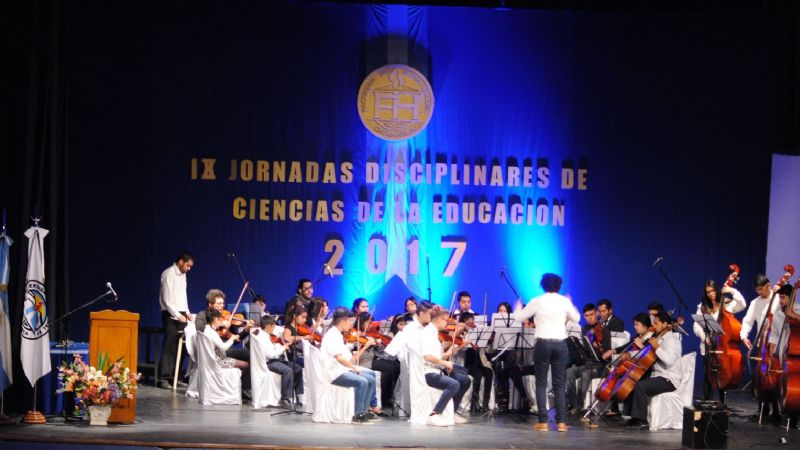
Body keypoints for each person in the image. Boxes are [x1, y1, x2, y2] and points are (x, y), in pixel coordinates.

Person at [512, 273, 580, 432]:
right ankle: (561, 423)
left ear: (542, 285)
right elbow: (576, 318)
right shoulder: (564, 301)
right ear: (559, 286)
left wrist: (517, 306)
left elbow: (519, 317)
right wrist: (570, 303)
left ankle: (543, 422)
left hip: (543, 344)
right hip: (560, 344)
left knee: (541, 383)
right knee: (559, 383)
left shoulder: (537, 301)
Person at [624, 311, 683, 430]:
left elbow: (669, 361)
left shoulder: (672, 340)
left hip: (669, 379)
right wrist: (630, 354)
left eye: (656, 323)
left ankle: (642, 421)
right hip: (657, 375)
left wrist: (656, 347)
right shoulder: (659, 338)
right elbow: (646, 353)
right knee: (632, 381)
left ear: (665, 324)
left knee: (641, 386)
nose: (654, 326)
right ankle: (632, 417)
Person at [321, 307, 380, 424]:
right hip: (334, 372)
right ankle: (357, 415)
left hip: (342, 369)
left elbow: (347, 359)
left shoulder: (338, 334)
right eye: (350, 322)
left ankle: (364, 411)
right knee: (362, 381)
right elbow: (339, 358)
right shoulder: (332, 335)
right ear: (342, 321)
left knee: (371, 378)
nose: (351, 325)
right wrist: (354, 368)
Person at [692, 279, 745, 402]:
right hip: (709, 345)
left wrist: (732, 290)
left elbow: (742, 304)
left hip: (723, 346)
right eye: (708, 292)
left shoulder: (727, 304)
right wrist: (704, 337)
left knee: (723, 374)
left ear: (717, 289)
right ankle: (706, 403)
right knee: (708, 375)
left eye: (713, 290)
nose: (711, 294)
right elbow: (696, 325)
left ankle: (722, 403)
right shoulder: (702, 306)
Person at [418, 307, 471, 426]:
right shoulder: (427, 333)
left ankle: (453, 412)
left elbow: (442, 356)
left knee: (465, 380)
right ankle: (435, 414)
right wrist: (444, 363)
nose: (447, 323)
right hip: (429, 372)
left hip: (438, 369)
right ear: (439, 319)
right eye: (446, 320)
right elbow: (428, 356)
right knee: (454, 384)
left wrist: (460, 346)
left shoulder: (435, 333)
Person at [740, 274, 782, 422]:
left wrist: (780, 290)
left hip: (776, 344)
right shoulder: (755, 302)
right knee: (761, 376)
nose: (759, 292)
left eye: (761, 289)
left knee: (774, 377)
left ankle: (776, 409)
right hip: (763, 344)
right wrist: (744, 336)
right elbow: (747, 321)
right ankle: (763, 408)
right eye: (757, 290)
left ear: (768, 285)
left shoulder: (778, 299)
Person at [158, 252, 194, 389]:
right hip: (170, 313)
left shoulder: (183, 275)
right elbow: (167, 298)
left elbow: (183, 296)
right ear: (180, 262)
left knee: (184, 344)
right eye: (188, 265)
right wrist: (177, 315)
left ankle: (175, 377)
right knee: (171, 344)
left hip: (181, 312)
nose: (189, 268)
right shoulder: (168, 273)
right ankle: (164, 378)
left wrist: (187, 312)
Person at [256, 315, 303, 409]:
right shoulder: (262, 338)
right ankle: (285, 399)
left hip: (276, 360)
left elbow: (274, 348)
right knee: (288, 371)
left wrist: (282, 345)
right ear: (267, 326)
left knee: (298, 368)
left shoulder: (268, 335)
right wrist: (283, 348)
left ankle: (298, 396)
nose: (274, 328)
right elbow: (270, 355)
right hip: (269, 362)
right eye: (273, 326)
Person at [769, 284, 799, 428]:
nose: (781, 301)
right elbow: (774, 336)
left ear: (791, 298)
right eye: (779, 298)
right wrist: (771, 356)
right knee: (779, 384)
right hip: (783, 354)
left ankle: (794, 417)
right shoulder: (777, 314)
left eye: (783, 298)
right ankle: (778, 413)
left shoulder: (798, 309)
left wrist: (794, 316)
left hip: (796, 355)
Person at [566, 303, 601, 414]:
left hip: (599, 364)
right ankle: (572, 404)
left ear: (596, 313)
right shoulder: (584, 329)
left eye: (592, 314)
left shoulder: (603, 329)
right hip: (587, 362)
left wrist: (598, 346)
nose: (590, 318)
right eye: (587, 316)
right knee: (569, 371)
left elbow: (606, 351)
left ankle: (580, 406)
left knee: (586, 373)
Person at [458, 312, 493, 414]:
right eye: (469, 324)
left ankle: (485, 403)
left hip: (478, 362)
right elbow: (463, 349)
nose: (472, 326)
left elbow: (485, 350)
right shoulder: (461, 335)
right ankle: (474, 402)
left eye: (473, 323)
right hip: (467, 364)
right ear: (463, 323)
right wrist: (468, 337)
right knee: (478, 374)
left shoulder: (477, 334)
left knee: (489, 372)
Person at [204, 309, 249, 373]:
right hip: (219, 361)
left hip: (211, 359)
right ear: (214, 319)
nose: (221, 321)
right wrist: (231, 339)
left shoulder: (205, 329)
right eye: (219, 319)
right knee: (246, 365)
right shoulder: (212, 332)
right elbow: (224, 348)